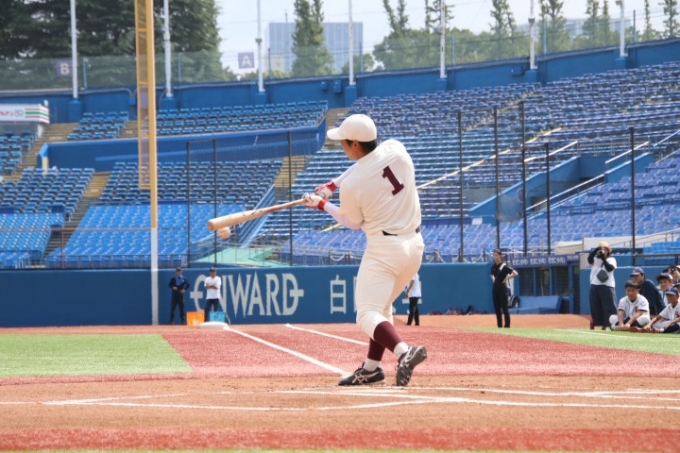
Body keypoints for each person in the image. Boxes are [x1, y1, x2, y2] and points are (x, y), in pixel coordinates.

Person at [303, 113, 427, 387]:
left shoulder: (354, 185)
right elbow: (364, 165)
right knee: (381, 308)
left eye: (344, 142)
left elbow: (352, 222)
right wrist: (332, 186)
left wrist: (322, 204)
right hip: (414, 247)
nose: (342, 146)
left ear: (355, 144)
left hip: (384, 250)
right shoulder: (396, 149)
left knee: (366, 314)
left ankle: (404, 352)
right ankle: (372, 369)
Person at [587, 241, 618, 330]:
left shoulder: (611, 259)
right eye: (601, 249)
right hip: (594, 285)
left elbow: (609, 268)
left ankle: (609, 325)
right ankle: (598, 323)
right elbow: (589, 259)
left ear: (608, 251)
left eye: (605, 249)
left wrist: (603, 259)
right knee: (596, 306)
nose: (603, 251)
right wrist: (596, 250)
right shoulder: (595, 260)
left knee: (609, 307)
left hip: (607, 285)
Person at [490, 249, 518, 328]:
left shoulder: (504, 266)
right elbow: (492, 275)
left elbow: (515, 273)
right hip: (495, 289)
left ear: (500, 256)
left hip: (502, 289)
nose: (495, 257)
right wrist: (494, 279)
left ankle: (507, 326)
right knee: (497, 309)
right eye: (494, 255)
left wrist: (507, 278)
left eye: (497, 255)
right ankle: (499, 326)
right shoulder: (493, 267)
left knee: (505, 309)